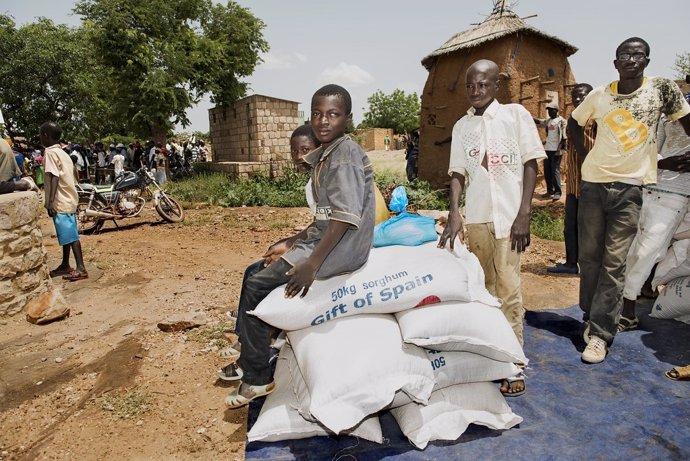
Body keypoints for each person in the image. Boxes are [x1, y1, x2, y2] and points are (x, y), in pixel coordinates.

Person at [222, 84, 375, 409]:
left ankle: (257, 376)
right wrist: (292, 244)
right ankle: (249, 354)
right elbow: (322, 218)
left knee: (256, 284)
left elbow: (344, 219)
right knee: (254, 270)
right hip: (324, 241)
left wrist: (311, 265)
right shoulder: (326, 156)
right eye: (317, 114)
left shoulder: (344, 154)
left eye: (333, 114)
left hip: (340, 248)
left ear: (348, 118)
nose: (323, 121)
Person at [569, 37, 690, 364]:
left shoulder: (661, 90)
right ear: (615, 62)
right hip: (594, 184)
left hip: (631, 188)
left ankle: (600, 335)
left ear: (647, 61)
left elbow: (687, 124)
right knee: (590, 257)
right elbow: (574, 124)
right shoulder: (600, 95)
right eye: (625, 54)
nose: (631, 59)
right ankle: (589, 314)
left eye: (638, 54)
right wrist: (584, 157)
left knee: (615, 261)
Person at [438, 59, 546, 397]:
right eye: (471, 85)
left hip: (510, 218)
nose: (476, 91)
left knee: (509, 289)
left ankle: (513, 362)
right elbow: (457, 174)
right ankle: (490, 358)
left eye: (483, 84)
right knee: (484, 290)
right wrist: (455, 213)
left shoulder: (515, 116)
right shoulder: (461, 127)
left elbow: (531, 164)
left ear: (496, 86)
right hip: (478, 218)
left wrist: (524, 213)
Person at [620, 97, 690, 332]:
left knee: (651, 251)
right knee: (639, 250)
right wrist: (664, 163)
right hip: (652, 189)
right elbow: (649, 151)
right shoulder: (669, 114)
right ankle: (626, 307)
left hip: (678, 197)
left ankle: (633, 302)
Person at [547, 84, 596, 275]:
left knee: (590, 229)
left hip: (591, 183)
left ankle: (589, 267)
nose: (577, 100)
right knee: (570, 226)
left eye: (581, 97)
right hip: (573, 185)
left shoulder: (597, 120)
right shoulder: (572, 120)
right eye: (574, 97)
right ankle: (571, 263)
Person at [40, 122, 89, 282]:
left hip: (61, 200)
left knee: (71, 235)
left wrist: (51, 201)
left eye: (41, 134)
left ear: (46, 136)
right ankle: (65, 264)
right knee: (67, 233)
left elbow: (54, 176)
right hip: (69, 197)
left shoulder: (50, 152)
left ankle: (81, 268)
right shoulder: (63, 152)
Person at [534, 102, 567, 200]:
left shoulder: (562, 121)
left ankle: (557, 192)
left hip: (556, 150)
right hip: (547, 149)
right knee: (547, 171)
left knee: (555, 170)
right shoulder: (548, 121)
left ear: (556, 111)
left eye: (551, 110)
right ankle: (550, 191)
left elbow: (564, 137)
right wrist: (529, 117)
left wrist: (560, 149)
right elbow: (540, 122)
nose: (549, 112)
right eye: (548, 110)